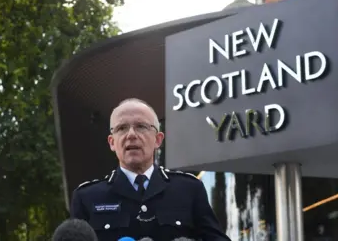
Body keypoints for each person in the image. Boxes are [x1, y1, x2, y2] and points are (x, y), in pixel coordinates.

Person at [70, 98, 231, 241]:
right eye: (122, 128)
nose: (131, 134)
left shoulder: (189, 189)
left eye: (141, 126)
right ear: (112, 142)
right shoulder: (87, 198)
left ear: (158, 139)